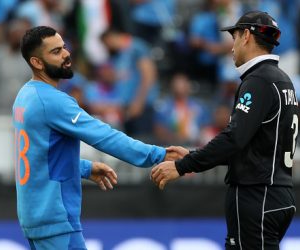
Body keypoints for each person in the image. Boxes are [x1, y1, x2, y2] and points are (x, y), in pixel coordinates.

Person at [14, 26, 179, 249]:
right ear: (37, 63)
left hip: (35, 216)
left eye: (63, 47)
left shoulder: (25, 95)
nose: (66, 54)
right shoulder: (53, 102)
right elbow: (104, 136)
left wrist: (84, 168)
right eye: (55, 52)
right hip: (55, 217)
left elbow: (39, 155)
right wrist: (158, 154)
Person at [151, 11, 299, 249]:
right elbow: (255, 145)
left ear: (247, 36)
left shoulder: (258, 81)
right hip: (277, 193)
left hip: (256, 195)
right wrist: (192, 155)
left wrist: (182, 166)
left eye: (235, 36)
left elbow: (234, 139)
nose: (231, 46)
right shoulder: (282, 80)